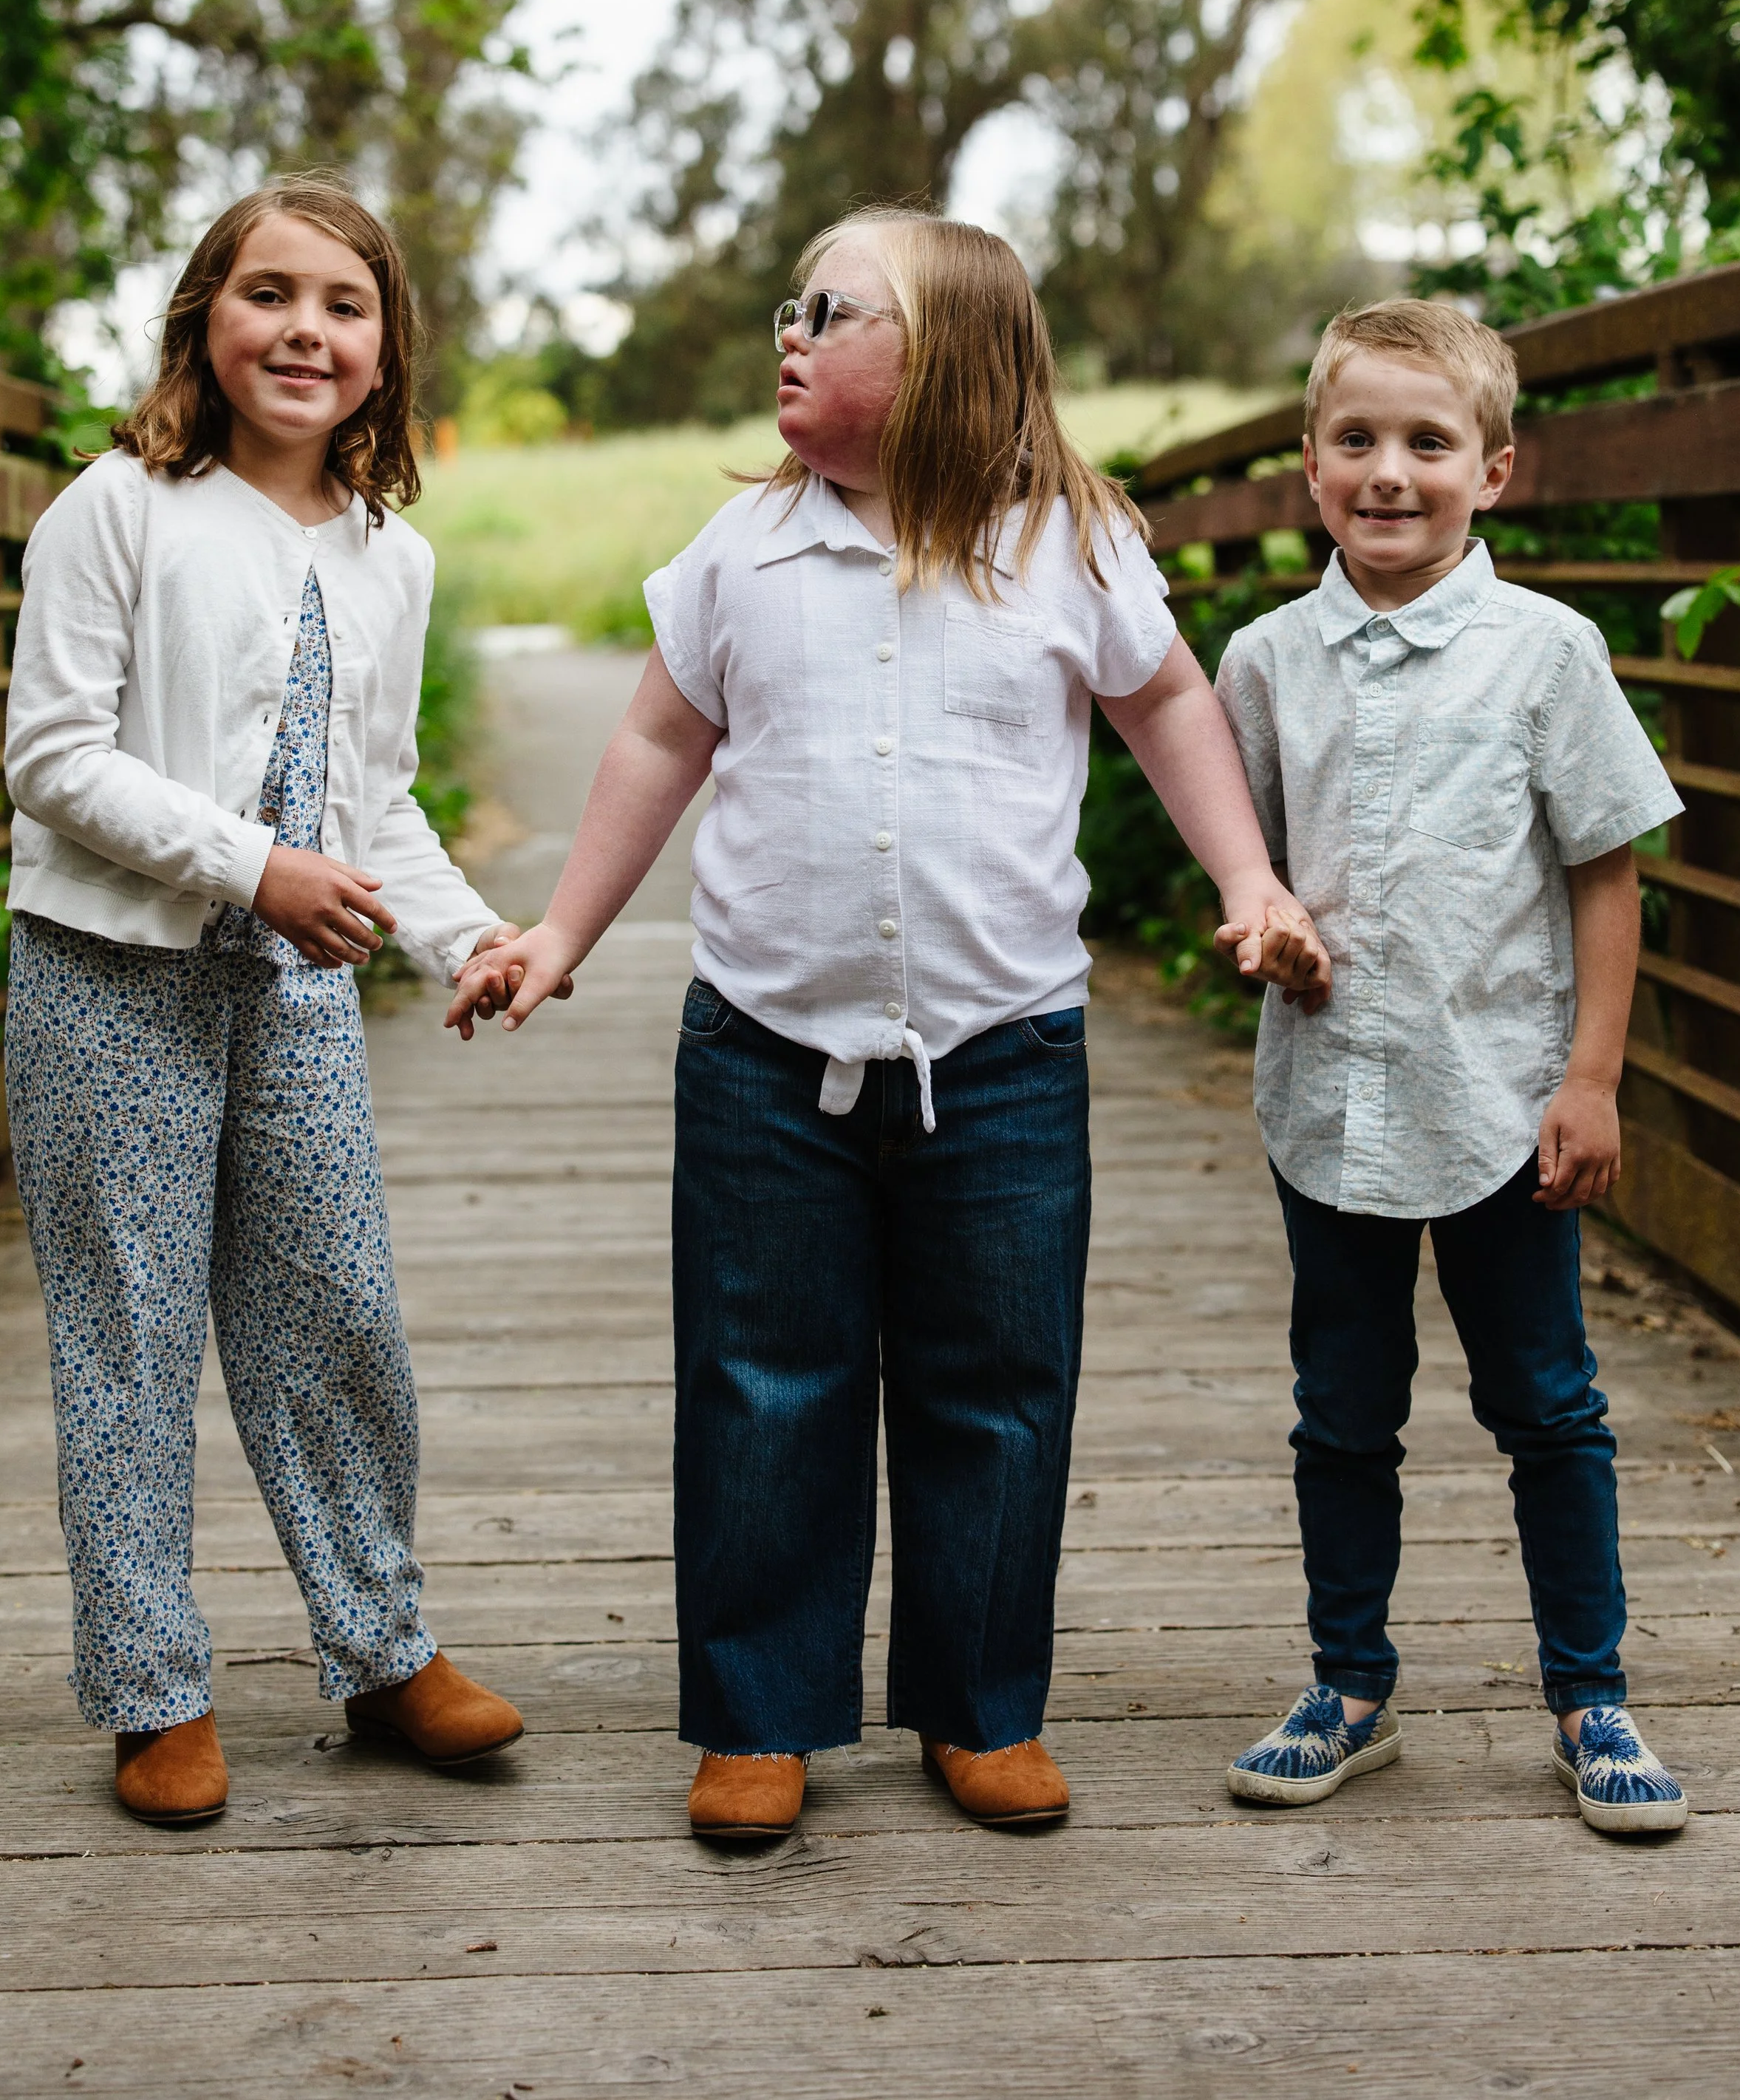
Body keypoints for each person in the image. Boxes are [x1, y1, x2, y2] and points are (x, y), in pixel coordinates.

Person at [446, 209, 1328, 1840]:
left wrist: (1249, 877)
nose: (786, 330)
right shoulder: (741, 555)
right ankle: (761, 1712)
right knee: (759, 1381)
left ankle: (979, 1702)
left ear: (946, 362)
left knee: (994, 1381)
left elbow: (1165, 705)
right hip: (763, 1054)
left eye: (829, 310)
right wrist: (563, 928)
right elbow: (654, 741)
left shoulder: (1064, 543)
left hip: (1003, 1051)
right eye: (789, 306)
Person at [4, 173, 528, 1826]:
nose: (306, 330)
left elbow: (377, 809)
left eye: (344, 305)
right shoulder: (120, 509)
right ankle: (152, 1687)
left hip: (292, 1006)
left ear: (385, 352)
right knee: (131, 1335)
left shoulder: (393, 559)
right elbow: (52, 756)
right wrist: (251, 866)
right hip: (110, 981)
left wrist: (465, 937)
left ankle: (379, 1650)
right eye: (270, 294)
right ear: (203, 319)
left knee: (335, 1318)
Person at [1215, 297, 1689, 1836]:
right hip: (1328, 1101)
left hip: (1500, 1104)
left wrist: (1592, 1078)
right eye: (1354, 439)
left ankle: (1589, 1695)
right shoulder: (1264, 660)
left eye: (1427, 443)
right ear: (1305, 463)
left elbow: (1603, 871)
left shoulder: (1545, 654)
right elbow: (1250, 864)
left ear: (1493, 469)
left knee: (1545, 1405)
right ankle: (1346, 1684)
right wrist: (1268, 931)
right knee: (1339, 1409)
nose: (1388, 472)